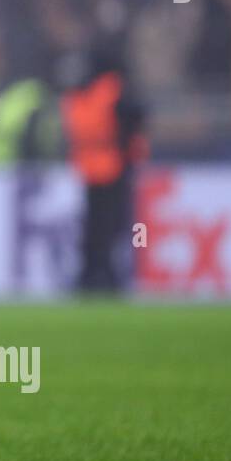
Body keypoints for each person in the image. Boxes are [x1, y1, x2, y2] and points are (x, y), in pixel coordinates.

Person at [60, 42, 147, 294]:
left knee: (106, 228)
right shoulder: (97, 94)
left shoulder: (107, 93)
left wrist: (126, 153)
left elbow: (133, 119)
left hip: (111, 170)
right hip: (94, 171)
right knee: (98, 229)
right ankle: (96, 276)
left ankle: (103, 276)